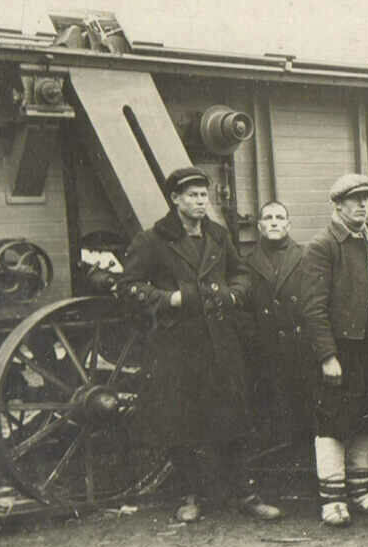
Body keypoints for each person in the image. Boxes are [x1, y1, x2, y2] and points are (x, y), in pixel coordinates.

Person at [119, 167, 283, 520]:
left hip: (221, 341)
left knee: (234, 416)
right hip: (177, 345)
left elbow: (239, 272)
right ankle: (189, 496)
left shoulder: (218, 235)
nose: (200, 201)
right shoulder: (152, 240)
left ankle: (244, 494)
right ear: (175, 199)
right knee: (182, 421)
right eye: (192, 195)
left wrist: (236, 294)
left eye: (203, 195)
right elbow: (129, 287)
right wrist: (170, 299)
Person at [301, 174, 368, 527]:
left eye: (366, 199)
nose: (362, 205)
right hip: (343, 346)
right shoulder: (323, 245)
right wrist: (328, 356)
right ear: (337, 205)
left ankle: (361, 494)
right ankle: (333, 501)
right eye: (354, 199)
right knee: (333, 421)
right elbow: (312, 308)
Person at [239, 200, 313, 450]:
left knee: (303, 410)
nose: (274, 222)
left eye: (280, 218)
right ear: (259, 226)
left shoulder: (305, 257)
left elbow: (315, 301)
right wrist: (255, 339)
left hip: (300, 349)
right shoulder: (246, 262)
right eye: (268, 218)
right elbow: (243, 309)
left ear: (289, 224)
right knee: (271, 409)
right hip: (265, 349)